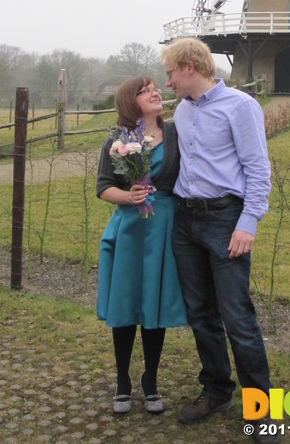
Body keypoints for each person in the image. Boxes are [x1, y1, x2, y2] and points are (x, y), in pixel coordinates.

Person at [161, 38, 279, 444]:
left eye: (171, 72)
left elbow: (258, 169)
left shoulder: (240, 107)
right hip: (185, 220)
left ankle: (262, 411)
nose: (168, 80)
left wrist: (248, 222)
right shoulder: (183, 111)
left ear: (190, 66)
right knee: (201, 314)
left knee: (238, 319)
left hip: (226, 220)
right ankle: (216, 390)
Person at [96, 76, 187, 415]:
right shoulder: (117, 139)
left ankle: (151, 380)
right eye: (146, 90)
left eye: (155, 88)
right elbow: (104, 187)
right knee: (125, 302)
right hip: (130, 228)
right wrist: (129, 196)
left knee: (155, 300)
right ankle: (123, 381)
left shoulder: (176, 132)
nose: (155, 92)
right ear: (130, 100)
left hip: (164, 226)